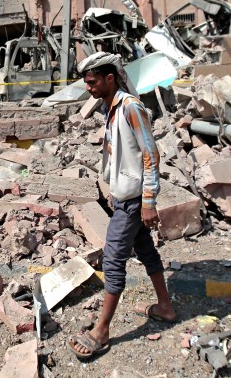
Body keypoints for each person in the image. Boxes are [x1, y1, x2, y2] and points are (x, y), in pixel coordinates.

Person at [69, 52, 176, 360]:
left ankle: (101, 332)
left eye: (92, 82)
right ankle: (166, 308)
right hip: (125, 197)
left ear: (110, 79)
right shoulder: (111, 107)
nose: (88, 88)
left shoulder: (130, 107)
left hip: (134, 202)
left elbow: (149, 154)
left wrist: (148, 202)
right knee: (145, 250)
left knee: (114, 259)